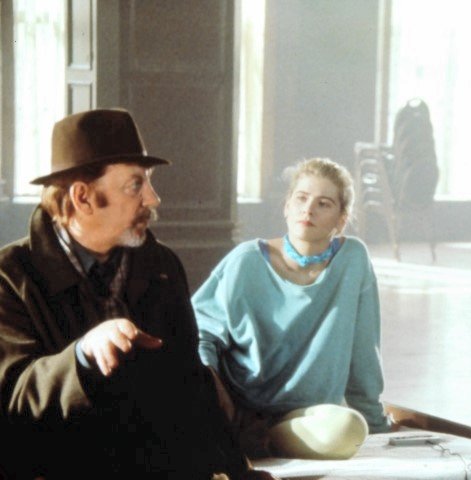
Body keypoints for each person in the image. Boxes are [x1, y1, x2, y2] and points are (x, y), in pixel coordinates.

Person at [0, 108, 276, 479]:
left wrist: (237, 471)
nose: (153, 198)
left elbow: (190, 385)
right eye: (135, 185)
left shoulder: (161, 266)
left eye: (149, 182)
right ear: (82, 197)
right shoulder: (10, 276)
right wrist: (83, 355)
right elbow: (13, 399)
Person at [192, 157, 392, 458]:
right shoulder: (245, 261)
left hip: (309, 416)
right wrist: (215, 398)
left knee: (349, 427)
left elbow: (364, 352)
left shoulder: (353, 259)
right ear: (287, 206)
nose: (308, 210)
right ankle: (246, 436)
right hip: (242, 408)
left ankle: (263, 441)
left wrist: (376, 424)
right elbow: (198, 333)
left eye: (324, 203)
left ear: (341, 220)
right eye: (301, 198)